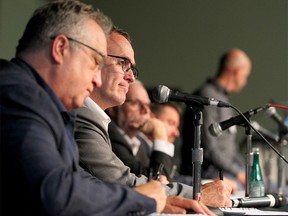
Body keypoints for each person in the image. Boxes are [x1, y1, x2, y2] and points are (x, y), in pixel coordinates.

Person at [0, 1, 171, 215]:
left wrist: (152, 196)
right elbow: (55, 193)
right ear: (61, 48)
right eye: (95, 62)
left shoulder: (48, 103)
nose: (97, 80)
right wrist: (139, 197)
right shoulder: (17, 95)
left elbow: (76, 178)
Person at [75, 26, 232, 210]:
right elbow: (123, 182)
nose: (131, 77)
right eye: (122, 63)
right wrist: (196, 193)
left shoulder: (96, 120)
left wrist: (162, 189)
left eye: (132, 68)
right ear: (95, 61)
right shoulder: (82, 118)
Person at [180, 48, 252, 191]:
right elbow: (209, 149)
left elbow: (230, 149)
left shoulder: (223, 98)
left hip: (226, 170)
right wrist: (238, 173)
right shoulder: (208, 96)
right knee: (247, 188)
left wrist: (245, 170)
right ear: (237, 71)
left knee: (264, 183)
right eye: (246, 76)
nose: (245, 82)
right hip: (210, 172)